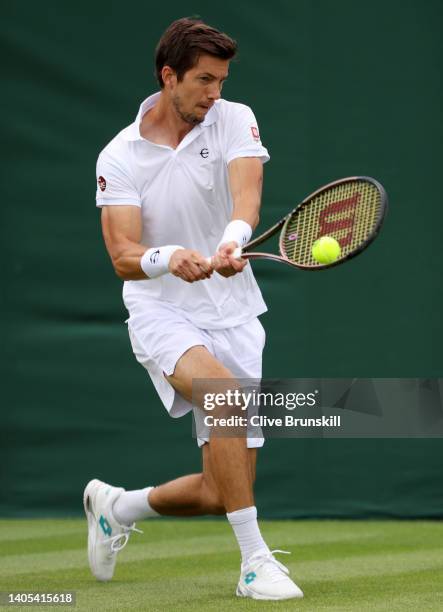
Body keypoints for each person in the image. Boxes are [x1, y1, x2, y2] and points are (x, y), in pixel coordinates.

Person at [84, 17, 303, 601]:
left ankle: (117, 507)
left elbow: (247, 192)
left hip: (234, 310)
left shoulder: (233, 117)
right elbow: (123, 254)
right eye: (204, 80)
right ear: (168, 75)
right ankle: (255, 562)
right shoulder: (119, 155)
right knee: (223, 394)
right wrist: (168, 257)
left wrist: (233, 238)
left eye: (222, 80)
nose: (214, 92)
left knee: (219, 488)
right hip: (161, 310)